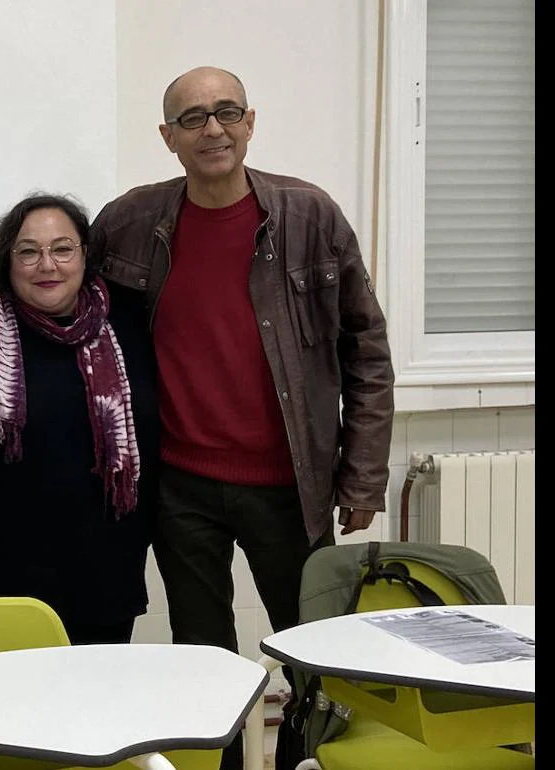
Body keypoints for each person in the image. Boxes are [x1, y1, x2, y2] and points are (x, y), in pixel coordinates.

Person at [89, 66, 395, 768]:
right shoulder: (132, 220)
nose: (213, 129)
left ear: (251, 122)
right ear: (167, 137)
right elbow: (64, 289)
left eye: (227, 112)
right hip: (180, 486)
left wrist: (363, 476)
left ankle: (305, 760)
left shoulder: (309, 215)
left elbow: (367, 351)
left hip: (292, 484)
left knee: (313, 655)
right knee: (203, 663)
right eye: (192, 118)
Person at [0, 194, 157, 645]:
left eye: (62, 248)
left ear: (84, 255)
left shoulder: (126, 326)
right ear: (7, 260)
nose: (47, 265)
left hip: (101, 574)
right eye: (29, 251)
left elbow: (148, 442)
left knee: (92, 706)